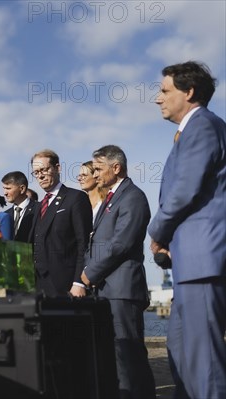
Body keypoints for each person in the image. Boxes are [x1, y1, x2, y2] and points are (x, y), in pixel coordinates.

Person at [147, 61, 226, 399]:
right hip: (187, 265)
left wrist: (157, 233)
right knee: (182, 357)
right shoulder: (190, 132)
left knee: (204, 363)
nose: (157, 98)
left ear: (188, 92)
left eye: (165, 91)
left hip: (202, 262)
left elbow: (183, 191)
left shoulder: (203, 126)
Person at [81, 145, 155, 398]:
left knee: (129, 355)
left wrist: (90, 272)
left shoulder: (133, 196)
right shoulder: (110, 197)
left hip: (122, 289)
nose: (95, 173)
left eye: (99, 168)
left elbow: (121, 243)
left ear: (116, 167)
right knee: (115, 356)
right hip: (105, 289)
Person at [30, 149, 92, 297]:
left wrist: (79, 282)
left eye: (44, 169)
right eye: (36, 172)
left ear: (57, 168)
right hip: (37, 286)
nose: (41, 176)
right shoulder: (38, 206)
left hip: (66, 285)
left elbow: (84, 243)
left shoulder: (76, 198)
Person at [2, 171, 36, 242]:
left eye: (8, 188)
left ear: (22, 189)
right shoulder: (5, 215)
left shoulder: (39, 209)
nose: (5, 193)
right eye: (4, 188)